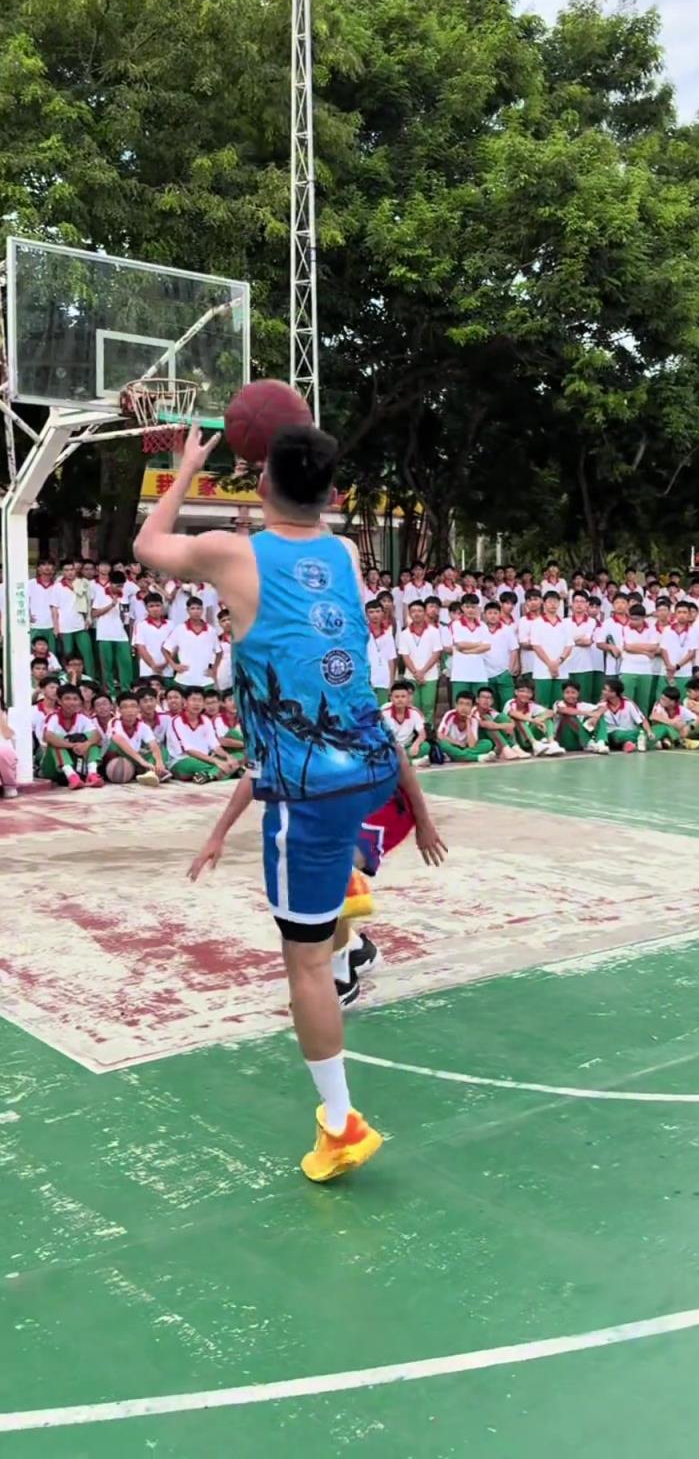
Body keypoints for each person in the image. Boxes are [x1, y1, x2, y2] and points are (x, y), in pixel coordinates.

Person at [135, 420, 413, 1185]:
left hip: (305, 787)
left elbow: (148, 546)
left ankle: (339, 1123)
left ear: (259, 485)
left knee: (304, 967)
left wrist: (188, 467)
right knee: (325, 893)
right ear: (334, 492)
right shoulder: (347, 552)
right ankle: (349, 911)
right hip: (372, 765)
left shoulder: (234, 552)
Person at [165, 687, 239, 783]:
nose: (197, 704)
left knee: (233, 759)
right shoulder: (176, 721)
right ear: (185, 702)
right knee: (223, 766)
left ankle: (208, 775)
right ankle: (216, 773)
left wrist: (227, 756)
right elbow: (188, 750)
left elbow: (215, 746)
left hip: (205, 759)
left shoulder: (205, 720)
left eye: (200, 700)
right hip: (181, 761)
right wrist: (217, 761)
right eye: (193, 700)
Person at [41, 684, 104, 788]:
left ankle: (92, 774)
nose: (72, 702)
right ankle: (71, 776)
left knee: (92, 740)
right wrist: (73, 745)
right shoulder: (53, 717)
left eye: (75, 699)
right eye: (67, 699)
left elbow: (97, 735)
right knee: (56, 742)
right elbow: (48, 737)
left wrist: (86, 744)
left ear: (80, 702)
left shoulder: (82, 718)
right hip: (52, 767)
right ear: (59, 701)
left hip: (76, 764)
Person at [103, 692, 170, 785]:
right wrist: (142, 762)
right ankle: (153, 771)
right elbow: (118, 740)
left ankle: (152, 772)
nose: (130, 710)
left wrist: (159, 762)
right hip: (114, 760)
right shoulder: (114, 722)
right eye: (125, 707)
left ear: (138, 709)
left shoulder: (143, 726)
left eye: (133, 706)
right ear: (119, 710)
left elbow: (153, 745)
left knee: (161, 749)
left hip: (134, 760)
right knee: (116, 743)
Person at [91, 568, 134, 698]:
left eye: (121, 585)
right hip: (105, 635)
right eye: (117, 585)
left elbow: (126, 618)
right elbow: (94, 613)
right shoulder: (101, 594)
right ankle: (110, 692)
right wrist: (111, 605)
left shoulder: (125, 597)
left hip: (121, 635)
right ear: (110, 583)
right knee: (107, 665)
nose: (119, 588)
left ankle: (126, 691)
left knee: (126, 664)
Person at [582, 677, 655, 752]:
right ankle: (647, 742)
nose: (603, 692)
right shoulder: (602, 704)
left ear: (614, 693)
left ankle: (631, 744)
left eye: (605, 690)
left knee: (644, 732)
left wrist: (649, 731)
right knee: (618, 735)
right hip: (611, 736)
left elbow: (642, 720)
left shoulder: (629, 704)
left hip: (629, 732)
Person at [398, 601, 442, 724]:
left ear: (424, 612)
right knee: (413, 706)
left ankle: (429, 734)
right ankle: (415, 733)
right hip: (411, 676)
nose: (416, 614)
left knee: (428, 706)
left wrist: (422, 672)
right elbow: (405, 655)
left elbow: (436, 653)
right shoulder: (404, 634)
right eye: (413, 611)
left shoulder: (434, 631)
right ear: (409, 614)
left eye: (419, 611)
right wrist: (416, 673)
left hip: (430, 675)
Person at [51, 558, 96, 677]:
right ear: (62, 572)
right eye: (66, 570)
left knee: (87, 653)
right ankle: (69, 679)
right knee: (67, 654)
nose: (70, 572)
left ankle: (90, 679)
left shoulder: (83, 583)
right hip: (64, 626)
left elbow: (89, 602)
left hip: (81, 624)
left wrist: (88, 618)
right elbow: (54, 608)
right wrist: (56, 627)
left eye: (72, 569)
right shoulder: (57, 586)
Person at [164, 596, 219, 689]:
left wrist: (214, 669)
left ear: (202, 610)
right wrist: (174, 665)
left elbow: (219, 652)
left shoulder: (211, 630)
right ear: (187, 610)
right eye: (192, 608)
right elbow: (165, 649)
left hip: (205, 680)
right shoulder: (179, 629)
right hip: (184, 679)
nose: (196, 611)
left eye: (198, 608)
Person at [529, 590, 571, 708]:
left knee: (560, 705)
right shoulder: (537, 623)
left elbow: (569, 645)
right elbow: (536, 646)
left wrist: (558, 662)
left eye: (556, 602)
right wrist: (550, 664)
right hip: (542, 671)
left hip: (561, 670)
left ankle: (558, 727)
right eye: (550, 602)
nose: (553, 604)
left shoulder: (565, 623)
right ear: (544, 603)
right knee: (542, 706)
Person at [503, 677, 563, 755]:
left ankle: (552, 743)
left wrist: (541, 719)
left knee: (546, 719)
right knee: (517, 719)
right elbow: (513, 713)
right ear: (516, 692)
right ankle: (534, 744)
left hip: (527, 739)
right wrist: (533, 720)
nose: (525, 694)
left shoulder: (531, 705)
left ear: (532, 694)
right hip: (514, 739)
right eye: (522, 691)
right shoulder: (510, 702)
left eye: (529, 692)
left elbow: (550, 712)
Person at [449, 593, 491, 703]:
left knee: (480, 706)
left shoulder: (483, 625)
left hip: (479, 673)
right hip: (460, 673)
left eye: (473, 607)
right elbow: (460, 645)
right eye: (467, 607)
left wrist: (469, 650)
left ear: (478, 608)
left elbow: (487, 646)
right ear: (462, 607)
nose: (470, 610)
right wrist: (479, 644)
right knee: (460, 706)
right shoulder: (456, 624)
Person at [619, 604, 659, 715]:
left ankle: (643, 728)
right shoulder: (626, 628)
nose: (633, 621)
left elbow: (654, 647)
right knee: (626, 701)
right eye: (631, 618)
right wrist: (645, 652)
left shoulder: (651, 629)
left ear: (643, 618)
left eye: (636, 619)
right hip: (628, 669)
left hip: (646, 670)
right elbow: (627, 647)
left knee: (643, 702)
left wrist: (635, 646)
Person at [436, 692, 497, 763]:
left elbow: (472, 745)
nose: (463, 707)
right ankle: (476, 757)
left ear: (472, 707)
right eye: (461, 704)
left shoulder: (473, 719)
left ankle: (456, 756)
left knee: (487, 743)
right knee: (443, 744)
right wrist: (457, 742)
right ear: (456, 705)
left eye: (467, 705)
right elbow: (440, 735)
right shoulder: (450, 715)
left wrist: (468, 722)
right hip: (452, 745)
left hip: (466, 748)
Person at [481, 599, 519, 711]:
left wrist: (510, 670)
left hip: (504, 673)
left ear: (500, 614)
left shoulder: (507, 630)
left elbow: (514, 650)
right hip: (486, 674)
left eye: (495, 613)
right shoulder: (480, 629)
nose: (492, 616)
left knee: (508, 706)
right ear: (484, 615)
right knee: (490, 708)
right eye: (490, 613)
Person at [380, 679, 429, 765]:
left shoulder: (414, 712)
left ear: (408, 698)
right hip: (391, 747)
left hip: (407, 747)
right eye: (397, 697)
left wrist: (416, 744)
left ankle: (399, 761)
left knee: (426, 746)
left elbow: (422, 734)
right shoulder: (384, 713)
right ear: (391, 698)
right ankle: (413, 762)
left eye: (403, 697)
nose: (400, 700)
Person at [659, 601, 699, 696]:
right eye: (679, 612)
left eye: (685, 612)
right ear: (675, 614)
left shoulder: (693, 631)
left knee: (682, 700)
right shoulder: (667, 629)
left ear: (689, 615)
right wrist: (669, 666)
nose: (682, 615)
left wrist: (676, 667)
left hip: (684, 673)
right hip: (666, 672)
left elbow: (691, 653)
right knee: (663, 700)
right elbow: (663, 649)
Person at [474, 685, 525, 760]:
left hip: (491, 739)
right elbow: (484, 724)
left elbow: (510, 722)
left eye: (489, 698)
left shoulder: (491, 711)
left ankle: (514, 746)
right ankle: (505, 748)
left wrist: (506, 725)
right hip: (478, 740)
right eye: (483, 697)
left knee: (502, 717)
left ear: (492, 701)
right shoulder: (474, 711)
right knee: (488, 721)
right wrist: (505, 726)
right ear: (477, 700)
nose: (486, 700)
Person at [132, 593, 173, 682]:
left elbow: (174, 647)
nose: (155, 609)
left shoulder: (171, 625)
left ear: (162, 606)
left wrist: (166, 663)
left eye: (158, 605)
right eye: (151, 606)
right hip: (147, 671)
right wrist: (153, 665)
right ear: (146, 608)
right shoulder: (141, 625)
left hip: (167, 670)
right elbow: (141, 648)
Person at [649, 685, 699, 749]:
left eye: (664, 699)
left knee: (684, 724)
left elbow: (698, 718)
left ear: (672, 702)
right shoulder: (659, 705)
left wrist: (689, 727)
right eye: (661, 698)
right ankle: (683, 742)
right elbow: (653, 716)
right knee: (665, 727)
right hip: (659, 731)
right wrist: (672, 722)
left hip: (676, 733)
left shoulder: (681, 709)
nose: (661, 700)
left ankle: (670, 742)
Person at [365, 599, 396, 706]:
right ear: (366, 614)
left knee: (383, 711)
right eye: (371, 612)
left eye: (378, 611)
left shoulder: (388, 634)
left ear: (383, 613)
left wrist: (391, 681)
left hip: (384, 680)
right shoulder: (362, 633)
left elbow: (391, 659)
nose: (375, 615)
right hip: (367, 680)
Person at [0, 697, 18, 798]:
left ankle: (9, 785)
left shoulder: (10, 712)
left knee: (3, 752)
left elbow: (8, 735)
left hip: (4, 755)